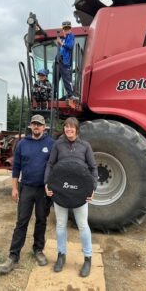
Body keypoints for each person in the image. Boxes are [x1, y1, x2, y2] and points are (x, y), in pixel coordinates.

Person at [0, 114, 54, 275]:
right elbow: (16, 168)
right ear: (30, 126)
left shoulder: (51, 144)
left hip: (43, 190)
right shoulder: (23, 144)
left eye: (39, 124)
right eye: (34, 124)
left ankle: (38, 250)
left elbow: (56, 166)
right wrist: (14, 188)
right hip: (26, 188)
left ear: (44, 127)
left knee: (41, 220)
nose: (36, 127)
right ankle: (13, 256)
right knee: (21, 221)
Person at [44, 117, 98, 277]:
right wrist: (47, 184)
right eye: (66, 127)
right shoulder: (58, 145)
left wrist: (93, 188)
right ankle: (61, 255)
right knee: (60, 225)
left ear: (77, 129)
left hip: (80, 192)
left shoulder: (85, 146)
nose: (69, 130)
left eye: (71, 127)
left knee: (82, 225)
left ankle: (88, 259)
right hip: (60, 190)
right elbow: (50, 165)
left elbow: (93, 168)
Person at [55, 21, 78, 100]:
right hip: (59, 59)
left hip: (64, 60)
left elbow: (70, 46)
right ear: (63, 30)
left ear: (70, 29)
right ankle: (53, 95)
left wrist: (61, 43)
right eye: (65, 28)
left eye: (68, 28)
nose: (66, 30)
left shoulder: (71, 36)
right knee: (56, 77)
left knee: (66, 78)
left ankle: (70, 95)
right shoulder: (64, 38)